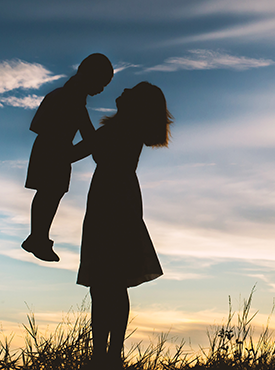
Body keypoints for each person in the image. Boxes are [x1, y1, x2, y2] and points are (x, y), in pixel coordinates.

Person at [69, 81, 171, 368]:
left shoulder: (121, 129)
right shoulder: (125, 130)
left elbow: (87, 152)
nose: (124, 91)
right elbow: (90, 150)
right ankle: (109, 355)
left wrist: (78, 118)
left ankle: (104, 356)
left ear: (136, 105)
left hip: (110, 201)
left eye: (131, 92)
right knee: (111, 281)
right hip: (118, 199)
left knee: (105, 281)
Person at [22, 53, 114, 262]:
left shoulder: (68, 97)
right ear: (88, 75)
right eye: (101, 83)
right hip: (52, 150)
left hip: (53, 150)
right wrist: (91, 143)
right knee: (49, 193)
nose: (101, 90)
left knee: (50, 194)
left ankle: (38, 236)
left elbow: (39, 124)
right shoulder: (68, 97)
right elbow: (82, 130)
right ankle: (38, 237)